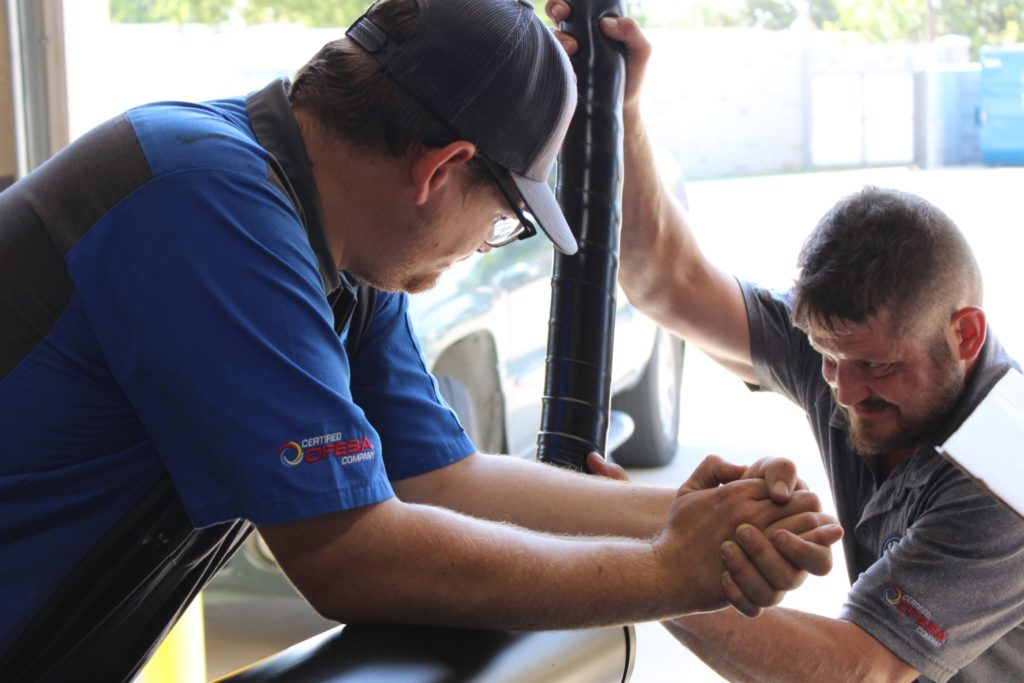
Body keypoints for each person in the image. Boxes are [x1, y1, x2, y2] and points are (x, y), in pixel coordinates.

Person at [0, 0, 843, 679]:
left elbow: (445, 478)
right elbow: (353, 556)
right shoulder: (207, 200)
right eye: (506, 223)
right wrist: (667, 570)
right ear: (441, 169)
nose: (482, 248)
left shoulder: (339, 248)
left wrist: (691, 515)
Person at [545, 3, 1024, 681]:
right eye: (826, 357)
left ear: (966, 333)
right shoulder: (842, 359)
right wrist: (620, 111)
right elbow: (667, 284)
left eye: (876, 366)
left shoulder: (1005, 475)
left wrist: (648, 561)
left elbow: (855, 671)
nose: (846, 390)